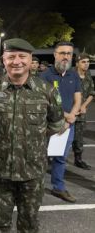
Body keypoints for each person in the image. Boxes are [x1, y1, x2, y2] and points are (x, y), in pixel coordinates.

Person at [0, 38, 65, 232]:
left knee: (29, 223)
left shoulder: (47, 91)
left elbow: (57, 122)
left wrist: (35, 138)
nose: (16, 61)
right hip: (1, 169)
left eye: (22, 56)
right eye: (11, 57)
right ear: (3, 59)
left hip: (33, 171)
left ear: (30, 59)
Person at [41, 41, 81, 203]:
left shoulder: (74, 75)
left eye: (69, 54)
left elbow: (78, 98)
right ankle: (33, 186)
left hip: (68, 125)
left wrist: (72, 116)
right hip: (47, 124)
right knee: (39, 156)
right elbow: (44, 101)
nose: (66, 57)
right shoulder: (45, 76)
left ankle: (58, 187)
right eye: (62, 53)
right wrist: (66, 116)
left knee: (60, 157)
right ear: (55, 55)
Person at [72, 53, 94, 169]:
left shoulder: (88, 76)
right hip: (69, 112)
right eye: (83, 62)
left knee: (79, 137)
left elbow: (92, 93)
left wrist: (84, 105)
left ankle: (78, 159)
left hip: (81, 113)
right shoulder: (70, 75)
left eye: (88, 62)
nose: (86, 64)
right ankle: (54, 159)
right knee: (61, 136)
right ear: (77, 63)